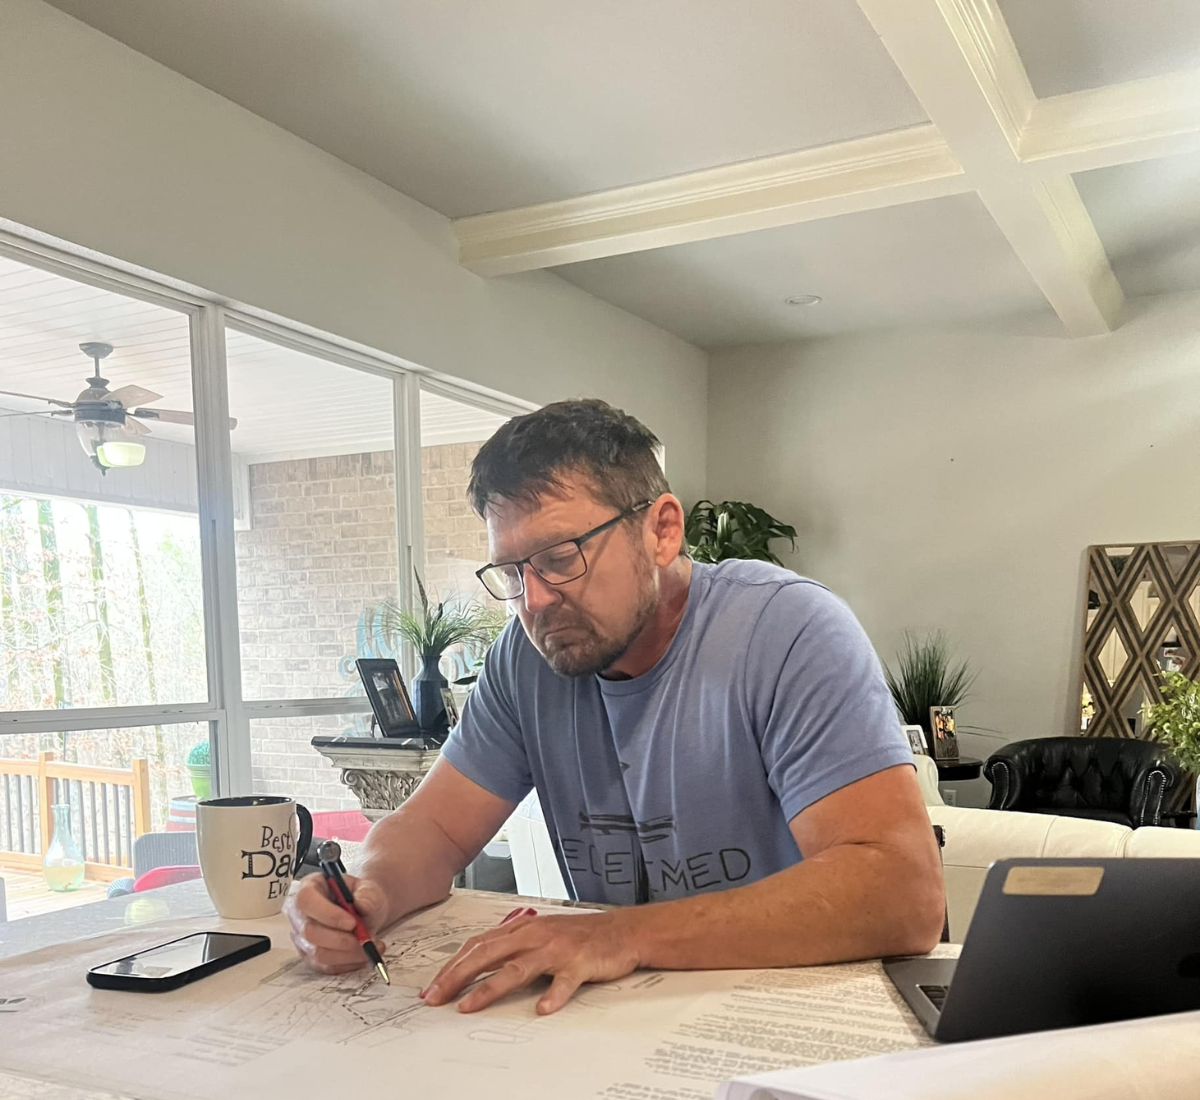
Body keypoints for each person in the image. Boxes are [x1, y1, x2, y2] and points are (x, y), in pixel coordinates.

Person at [287, 399, 944, 1015]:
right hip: (618, 1023)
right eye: (511, 573)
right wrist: (369, 888)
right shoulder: (525, 658)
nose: (534, 601)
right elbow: (434, 832)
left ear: (660, 531)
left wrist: (620, 934)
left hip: (791, 1012)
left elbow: (901, 894)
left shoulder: (786, 631)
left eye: (561, 557)